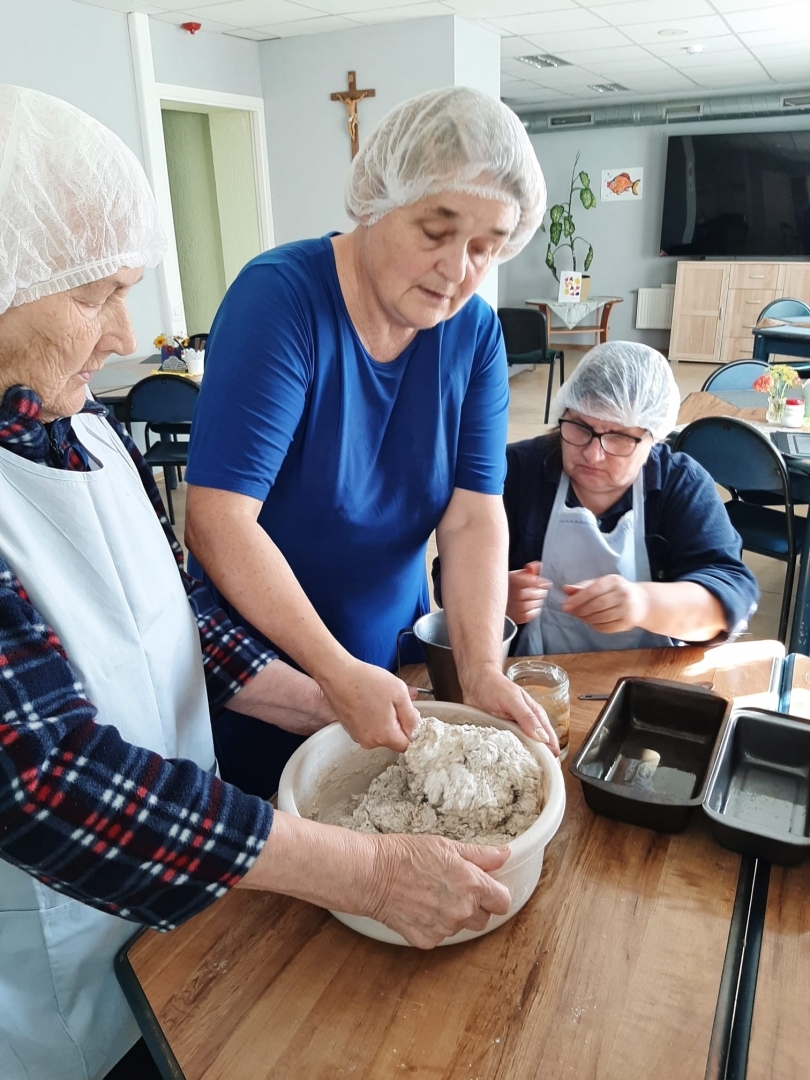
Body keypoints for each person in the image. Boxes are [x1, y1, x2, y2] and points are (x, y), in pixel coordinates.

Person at [0, 85, 514, 1080]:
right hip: (48, 962)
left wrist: (317, 695)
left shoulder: (76, 426)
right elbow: (41, 777)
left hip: (176, 903)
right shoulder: (285, 300)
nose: (123, 337)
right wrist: (365, 869)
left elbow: (169, 606)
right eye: (94, 293)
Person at [183, 86, 558, 798]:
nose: (458, 270)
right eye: (435, 231)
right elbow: (217, 521)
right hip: (269, 670)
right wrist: (331, 669)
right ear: (375, 202)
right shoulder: (281, 302)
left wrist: (479, 668)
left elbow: (474, 516)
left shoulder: (472, 334)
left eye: (485, 246)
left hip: (390, 654)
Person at [434, 342, 759, 655]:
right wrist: (491, 599)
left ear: (653, 437)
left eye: (618, 437)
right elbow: (448, 573)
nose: (593, 454)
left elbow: (732, 595)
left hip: (647, 679)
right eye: (580, 427)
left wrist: (644, 604)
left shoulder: (680, 484)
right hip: (529, 677)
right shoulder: (517, 471)